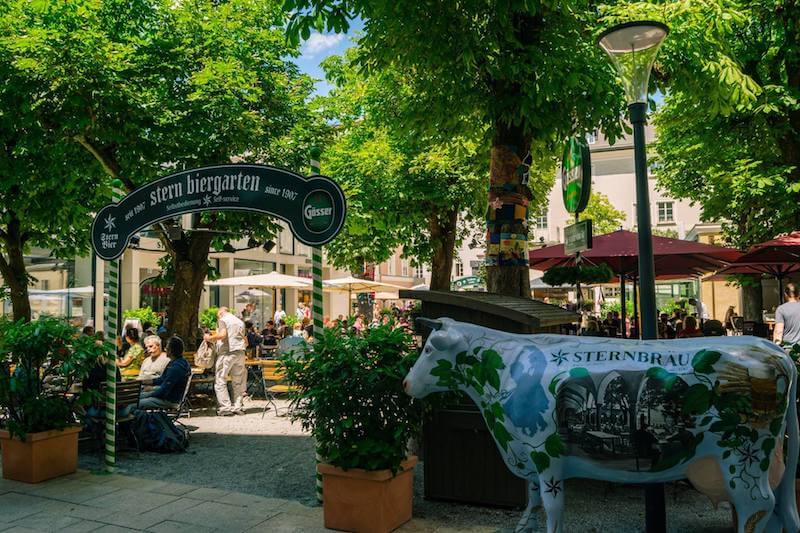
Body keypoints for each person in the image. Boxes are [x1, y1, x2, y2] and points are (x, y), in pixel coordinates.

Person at [204, 307, 247, 416]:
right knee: (238, 381)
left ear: (220, 313)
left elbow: (223, 335)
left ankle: (225, 408)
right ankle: (238, 406)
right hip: (240, 352)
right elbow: (245, 340)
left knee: (220, 380)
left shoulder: (223, 320)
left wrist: (209, 338)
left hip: (227, 353)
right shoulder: (240, 322)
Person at [134, 336, 191, 412]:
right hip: (166, 396)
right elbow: (162, 379)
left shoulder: (176, 367)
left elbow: (163, 391)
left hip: (169, 400)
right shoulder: (178, 362)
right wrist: (143, 382)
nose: (165, 349)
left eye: (167, 348)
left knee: (133, 403)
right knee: (134, 398)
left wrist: (149, 393)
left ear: (171, 350)